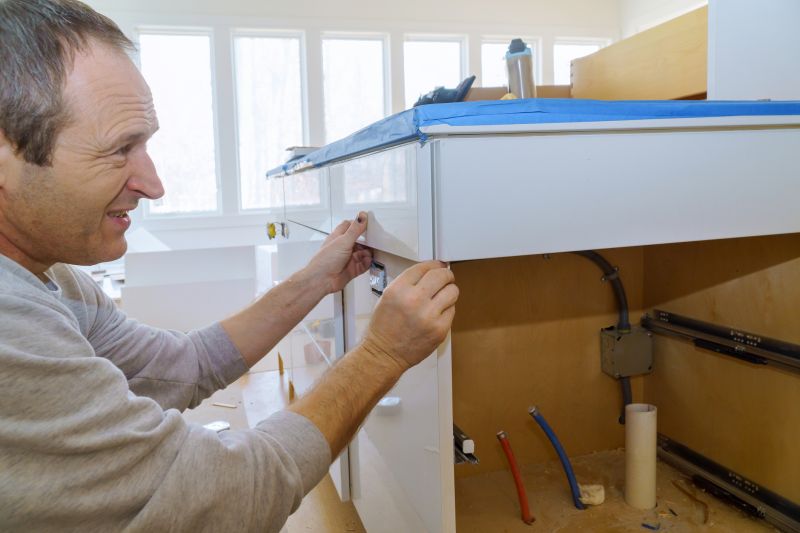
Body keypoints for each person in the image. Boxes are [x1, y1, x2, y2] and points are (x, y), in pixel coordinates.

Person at [0, 1, 459, 531]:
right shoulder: (12, 326)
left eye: (144, 144)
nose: (154, 185)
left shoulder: (57, 280)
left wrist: (315, 281)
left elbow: (182, 366)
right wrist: (382, 354)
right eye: (119, 149)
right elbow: (226, 498)